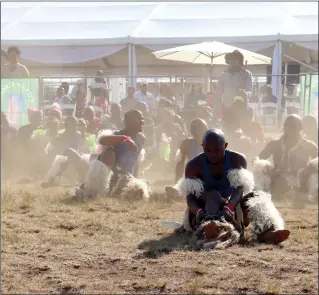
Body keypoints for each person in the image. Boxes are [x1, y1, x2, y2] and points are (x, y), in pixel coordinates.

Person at [176, 129, 290, 244]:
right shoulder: (194, 165)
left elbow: (240, 189)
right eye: (208, 150)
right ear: (202, 147)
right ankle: (211, 229)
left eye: (217, 150)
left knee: (257, 196)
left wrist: (229, 207)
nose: (212, 155)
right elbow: (190, 197)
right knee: (213, 196)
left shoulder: (237, 160)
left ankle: (268, 231)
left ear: (225, 146)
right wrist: (198, 212)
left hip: (232, 206)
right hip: (203, 209)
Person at [258, 114, 318, 202]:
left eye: (293, 126)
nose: (290, 128)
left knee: (314, 177)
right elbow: (258, 160)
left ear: (299, 128)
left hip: (300, 181)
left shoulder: (308, 145)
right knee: (261, 176)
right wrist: (267, 168)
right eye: (287, 125)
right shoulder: (274, 144)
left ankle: (304, 195)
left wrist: (308, 169)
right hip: (278, 179)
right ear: (284, 127)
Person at [165, 119, 208, 198]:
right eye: (197, 129)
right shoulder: (187, 143)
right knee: (185, 185)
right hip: (193, 177)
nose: (200, 132)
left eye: (203, 129)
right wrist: (177, 182)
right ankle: (176, 190)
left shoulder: (212, 142)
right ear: (193, 131)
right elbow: (180, 164)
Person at [214, 50, 253, 128]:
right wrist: (216, 110)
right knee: (227, 131)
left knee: (241, 131)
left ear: (240, 61)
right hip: (227, 108)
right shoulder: (223, 75)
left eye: (235, 59)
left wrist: (245, 93)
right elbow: (218, 94)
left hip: (241, 108)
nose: (232, 61)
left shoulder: (247, 74)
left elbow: (250, 91)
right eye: (231, 59)